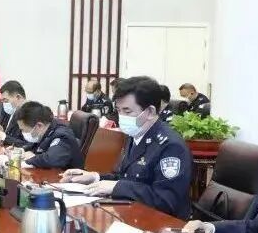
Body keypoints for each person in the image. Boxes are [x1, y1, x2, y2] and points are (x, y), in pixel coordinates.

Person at [60, 76, 192, 218]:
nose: (121, 117)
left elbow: (166, 200)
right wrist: (94, 177)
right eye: (118, 110)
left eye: (127, 112)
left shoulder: (170, 146)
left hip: (160, 223)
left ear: (150, 112)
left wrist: (117, 187)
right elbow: (125, 177)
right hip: (132, 214)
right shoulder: (136, 134)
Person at [15, 102, 84, 170]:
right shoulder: (47, 130)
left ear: (39, 126)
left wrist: (29, 160)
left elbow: (53, 159)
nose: (23, 133)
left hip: (66, 175)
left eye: (24, 130)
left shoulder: (62, 136)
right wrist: (22, 150)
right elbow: (37, 146)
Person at [0, 80, 28, 146]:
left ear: (18, 97)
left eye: (6, 100)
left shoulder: (29, 114)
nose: (4, 104)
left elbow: (27, 145)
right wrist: (0, 131)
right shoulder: (9, 111)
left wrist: (3, 136)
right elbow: (9, 136)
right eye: (2, 101)